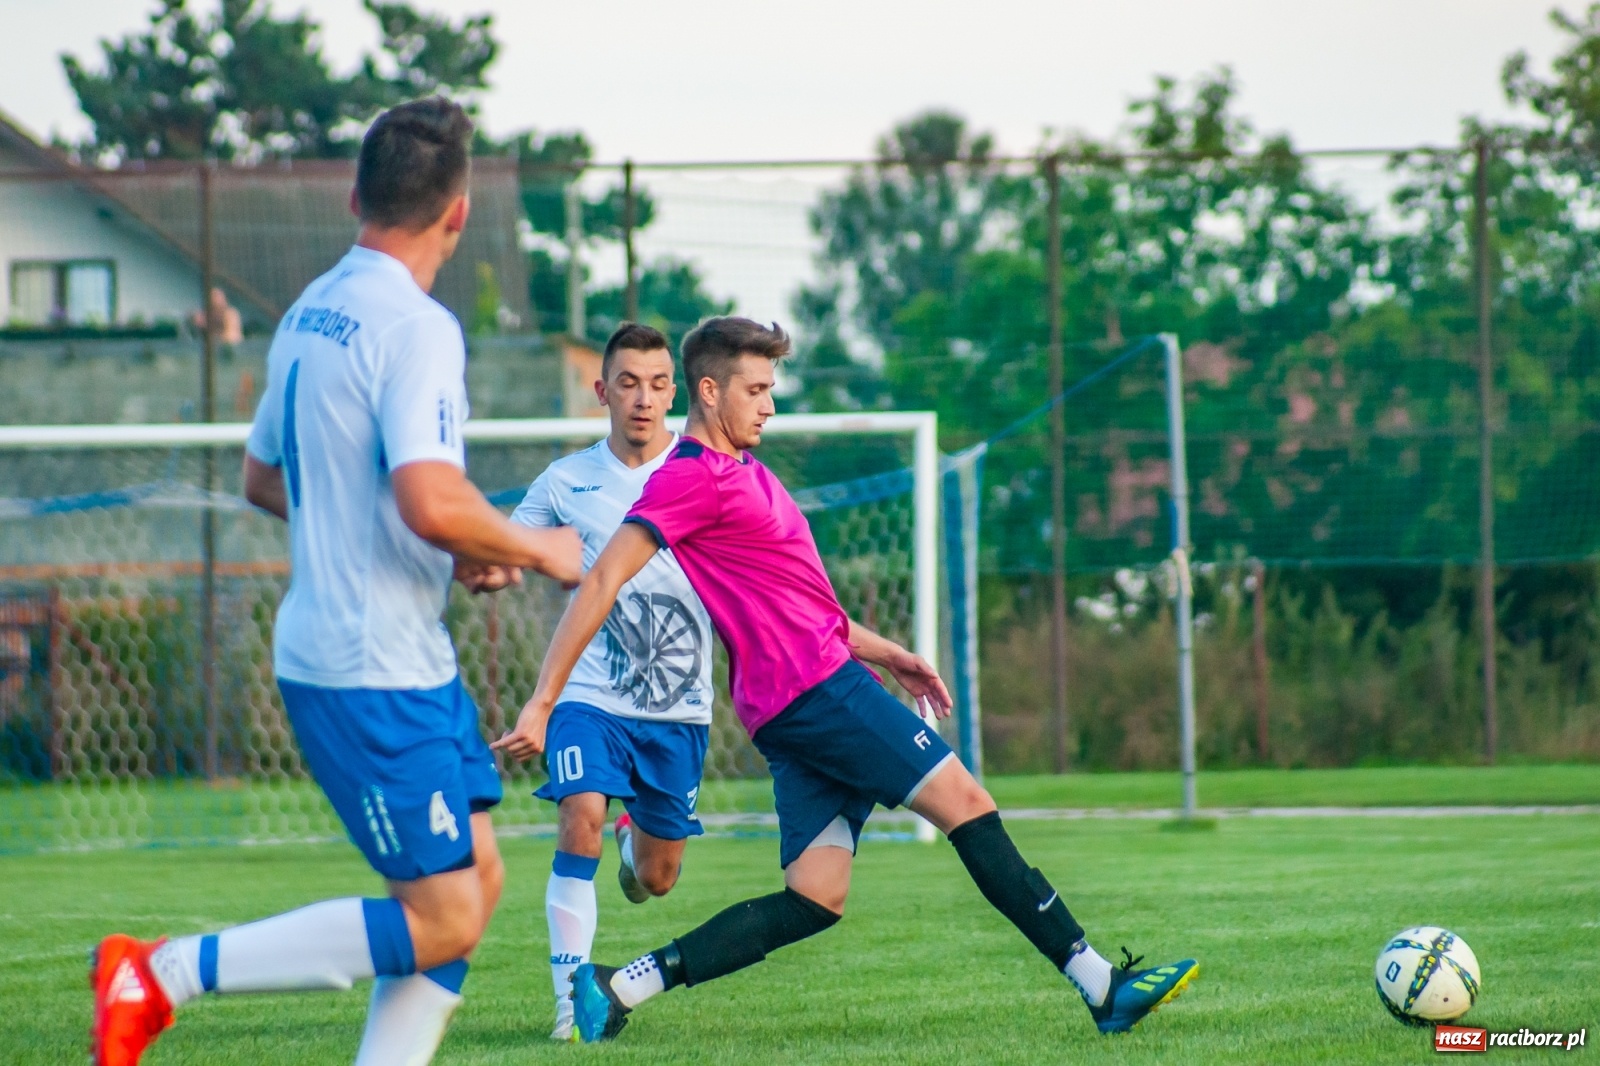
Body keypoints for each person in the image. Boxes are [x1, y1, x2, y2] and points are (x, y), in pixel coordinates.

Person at [495, 316, 1199, 1043]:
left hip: (796, 701)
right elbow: (603, 576)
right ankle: (1100, 985)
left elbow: (799, 602)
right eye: (757, 389)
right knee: (967, 803)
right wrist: (545, 699)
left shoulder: (745, 472)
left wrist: (885, 650)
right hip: (819, 694)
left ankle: (620, 987)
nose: (769, 405)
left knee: (816, 895)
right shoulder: (691, 479)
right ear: (709, 392)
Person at [88, 97, 582, 1066]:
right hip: (369, 670)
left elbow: (265, 478)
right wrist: (539, 550)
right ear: (458, 214)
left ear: (356, 193)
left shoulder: (309, 311)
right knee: (440, 916)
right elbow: (430, 496)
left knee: (472, 889)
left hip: (397, 656)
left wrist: (448, 540)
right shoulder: (417, 326)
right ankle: (159, 972)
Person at [508, 321, 715, 1041]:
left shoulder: (704, 474)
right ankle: (571, 1003)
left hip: (678, 710)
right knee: (579, 815)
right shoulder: (566, 482)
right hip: (589, 697)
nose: (644, 398)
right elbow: (510, 549)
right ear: (602, 390)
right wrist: (490, 558)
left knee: (657, 879)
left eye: (659, 384)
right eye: (628, 382)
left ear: (675, 393)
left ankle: (637, 845)